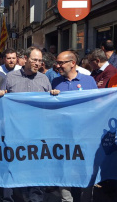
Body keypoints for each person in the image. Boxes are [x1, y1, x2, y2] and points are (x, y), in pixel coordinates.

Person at [0, 47, 51, 202]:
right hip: (15, 130)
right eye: (34, 60)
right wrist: (0, 95)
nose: (38, 63)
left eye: (40, 61)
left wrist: (54, 95)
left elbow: (49, 105)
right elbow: (1, 101)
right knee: (12, 165)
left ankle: (36, 197)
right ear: (26, 59)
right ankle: (10, 198)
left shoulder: (44, 79)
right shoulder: (11, 78)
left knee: (37, 165)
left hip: (37, 132)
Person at [50, 51, 98, 202]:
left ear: (72, 63)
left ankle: (86, 198)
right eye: (57, 62)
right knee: (64, 167)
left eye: (61, 63)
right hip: (62, 134)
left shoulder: (89, 81)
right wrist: (52, 97)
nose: (57, 66)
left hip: (84, 134)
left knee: (85, 168)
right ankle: (66, 199)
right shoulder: (54, 82)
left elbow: (97, 105)